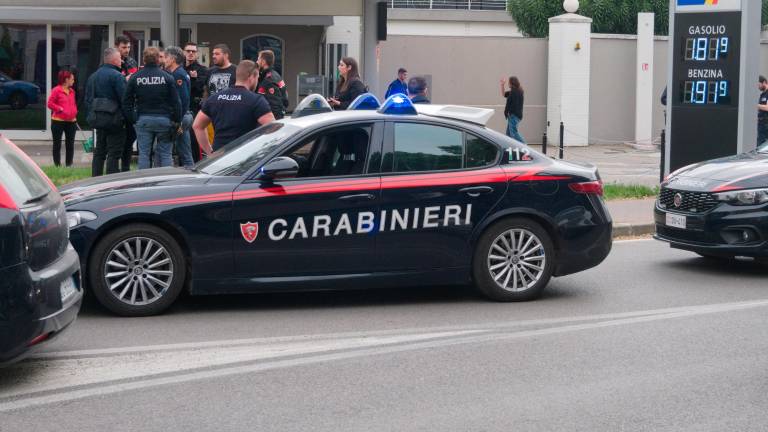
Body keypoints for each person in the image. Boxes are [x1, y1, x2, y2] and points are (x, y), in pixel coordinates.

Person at [193, 60, 275, 154]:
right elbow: (273, 128)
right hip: (244, 158)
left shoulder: (215, 98)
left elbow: (197, 125)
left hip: (219, 158)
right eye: (257, 78)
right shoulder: (256, 101)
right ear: (251, 77)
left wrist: (209, 152)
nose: (257, 82)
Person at [124, 47, 182, 170]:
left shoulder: (135, 77)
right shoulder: (167, 77)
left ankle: (144, 184)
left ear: (144, 60)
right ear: (158, 59)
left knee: (144, 154)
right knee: (166, 154)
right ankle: (166, 183)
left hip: (143, 119)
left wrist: (133, 119)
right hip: (164, 120)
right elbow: (176, 102)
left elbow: (126, 102)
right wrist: (176, 120)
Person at [85, 47, 127, 177]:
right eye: (120, 58)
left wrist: (92, 116)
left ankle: (95, 179)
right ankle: (111, 182)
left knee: (99, 153)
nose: (122, 61)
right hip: (115, 122)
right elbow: (124, 100)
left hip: (98, 120)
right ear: (114, 60)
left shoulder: (93, 76)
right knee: (114, 153)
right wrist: (127, 118)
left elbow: (87, 100)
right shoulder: (117, 76)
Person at [164, 46, 195, 168]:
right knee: (185, 152)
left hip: (181, 117)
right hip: (183, 116)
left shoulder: (178, 75)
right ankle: (191, 174)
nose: (164, 60)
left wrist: (178, 121)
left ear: (172, 59)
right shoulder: (180, 73)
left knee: (163, 149)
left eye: (166, 57)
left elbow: (183, 99)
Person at [115, 35, 139, 172]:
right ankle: (115, 167)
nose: (127, 50)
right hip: (117, 106)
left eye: (128, 47)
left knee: (130, 138)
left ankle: (125, 167)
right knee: (118, 140)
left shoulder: (131, 62)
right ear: (117, 46)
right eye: (124, 47)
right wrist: (125, 79)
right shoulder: (112, 61)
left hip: (131, 105)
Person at [47, 70, 78, 167]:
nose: (74, 81)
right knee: (57, 144)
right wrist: (59, 109)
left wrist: (74, 112)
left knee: (70, 144)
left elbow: (73, 104)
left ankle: (69, 165)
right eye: (72, 79)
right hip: (58, 121)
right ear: (66, 80)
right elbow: (49, 104)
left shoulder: (72, 91)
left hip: (71, 122)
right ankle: (57, 166)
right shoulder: (56, 90)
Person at [184, 42, 209, 162]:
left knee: (193, 139)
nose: (190, 53)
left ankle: (195, 164)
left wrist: (193, 79)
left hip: (194, 107)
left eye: (193, 51)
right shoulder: (180, 68)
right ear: (184, 52)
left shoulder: (202, 70)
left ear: (197, 54)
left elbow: (200, 88)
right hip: (181, 107)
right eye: (188, 51)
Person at [256, 49, 289, 119]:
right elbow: (285, 100)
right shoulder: (274, 75)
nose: (257, 62)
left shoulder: (269, 80)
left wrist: (274, 125)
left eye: (258, 59)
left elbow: (275, 107)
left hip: (271, 123)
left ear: (263, 62)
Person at [501, 76, 525, 143]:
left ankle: (525, 147)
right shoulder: (517, 91)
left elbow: (511, 104)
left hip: (513, 116)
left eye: (508, 82)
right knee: (508, 135)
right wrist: (502, 85)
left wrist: (508, 112)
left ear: (511, 83)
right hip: (515, 116)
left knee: (514, 134)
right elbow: (504, 94)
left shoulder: (514, 92)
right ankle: (509, 150)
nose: (508, 83)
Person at [758, 76, 768, 145]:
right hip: (761, 124)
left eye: (759, 85)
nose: (758, 87)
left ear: (764, 82)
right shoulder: (762, 95)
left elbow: (767, 108)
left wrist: (755, 105)